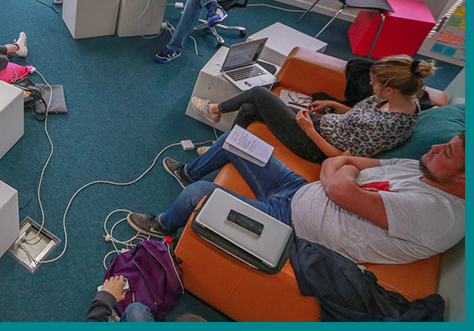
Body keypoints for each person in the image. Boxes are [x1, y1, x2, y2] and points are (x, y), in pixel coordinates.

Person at [128, 132, 465, 266]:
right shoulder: (421, 168)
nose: (434, 148)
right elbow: (336, 167)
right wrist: (341, 176)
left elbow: (340, 182)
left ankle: (161, 225)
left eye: (446, 152)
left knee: (199, 196)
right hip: (301, 189)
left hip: (292, 227)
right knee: (238, 139)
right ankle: (188, 170)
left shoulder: (440, 213)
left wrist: (342, 177)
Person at [183, 55, 435, 163]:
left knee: (259, 94)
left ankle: (215, 109)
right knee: (250, 106)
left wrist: (309, 129)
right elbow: (359, 118)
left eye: (374, 83)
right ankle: (224, 148)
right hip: (321, 125)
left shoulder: (389, 126)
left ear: (390, 89)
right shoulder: (406, 99)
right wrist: (334, 105)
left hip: (314, 145)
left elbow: (342, 157)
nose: (370, 85)